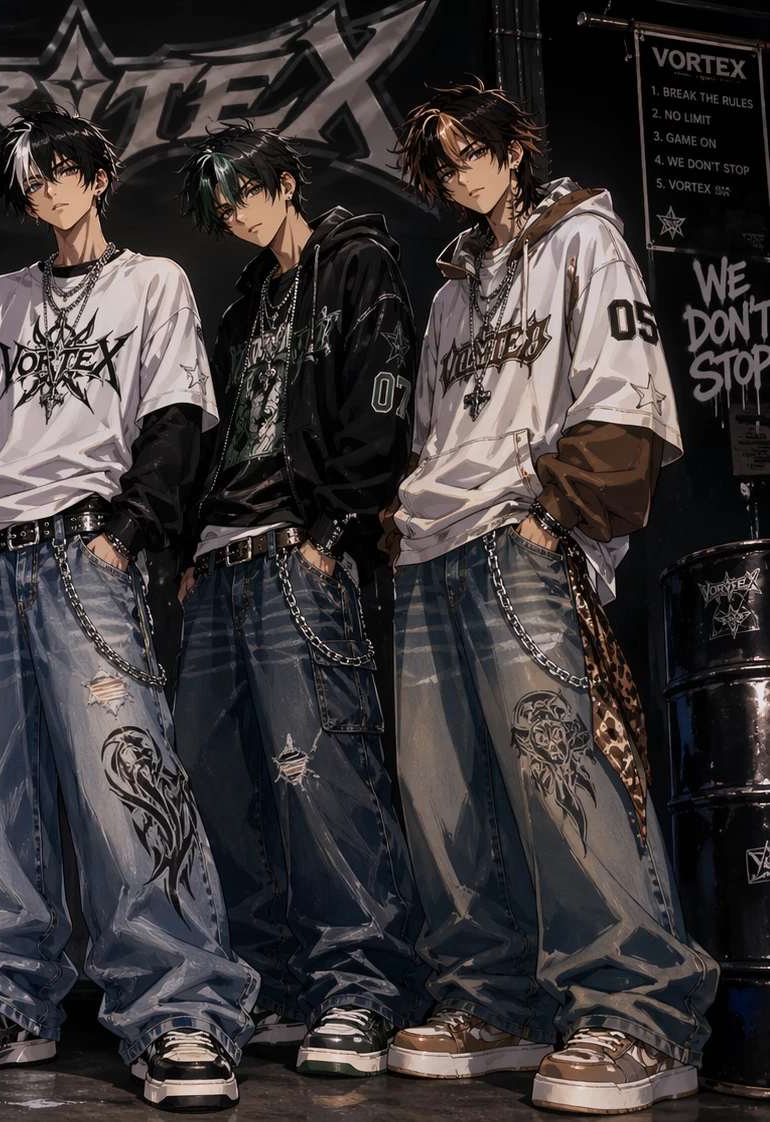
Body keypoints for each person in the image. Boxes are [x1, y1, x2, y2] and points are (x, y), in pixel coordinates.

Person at [0, 104, 258, 1113]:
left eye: (62, 171)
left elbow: (175, 421)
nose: (48, 190)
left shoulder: (153, 283)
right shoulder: (0, 299)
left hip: (86, 549)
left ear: (97, 176)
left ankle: (181, 1006)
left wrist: (126, 534)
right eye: (32, 179)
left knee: (124, 776)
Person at [382, 81, 717, 1114]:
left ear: (510, 147)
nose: (459, 173)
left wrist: (561, 509)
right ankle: (494, 1001)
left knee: (561, 773)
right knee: (444, 793)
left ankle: (639, 1013)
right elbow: (432, 428)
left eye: (470, 150)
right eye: (439, 164)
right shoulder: (450, 293)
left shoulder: (583, 240)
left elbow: (623, 379)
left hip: (521, 536)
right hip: (433, 546)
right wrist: (404, 526)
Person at [173, 124, 429, 1077]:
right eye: (222, 203)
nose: (236, 212)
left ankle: (361, 989)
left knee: (322, 779)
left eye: (246, 191)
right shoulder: (241, 308)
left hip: (297, 551)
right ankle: (272, 985)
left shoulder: (357, 263)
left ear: (286, 183)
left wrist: (334, 528)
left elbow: (381, 397)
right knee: (218, 790)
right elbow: (217, 436)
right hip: (219, 562)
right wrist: (190, 547)